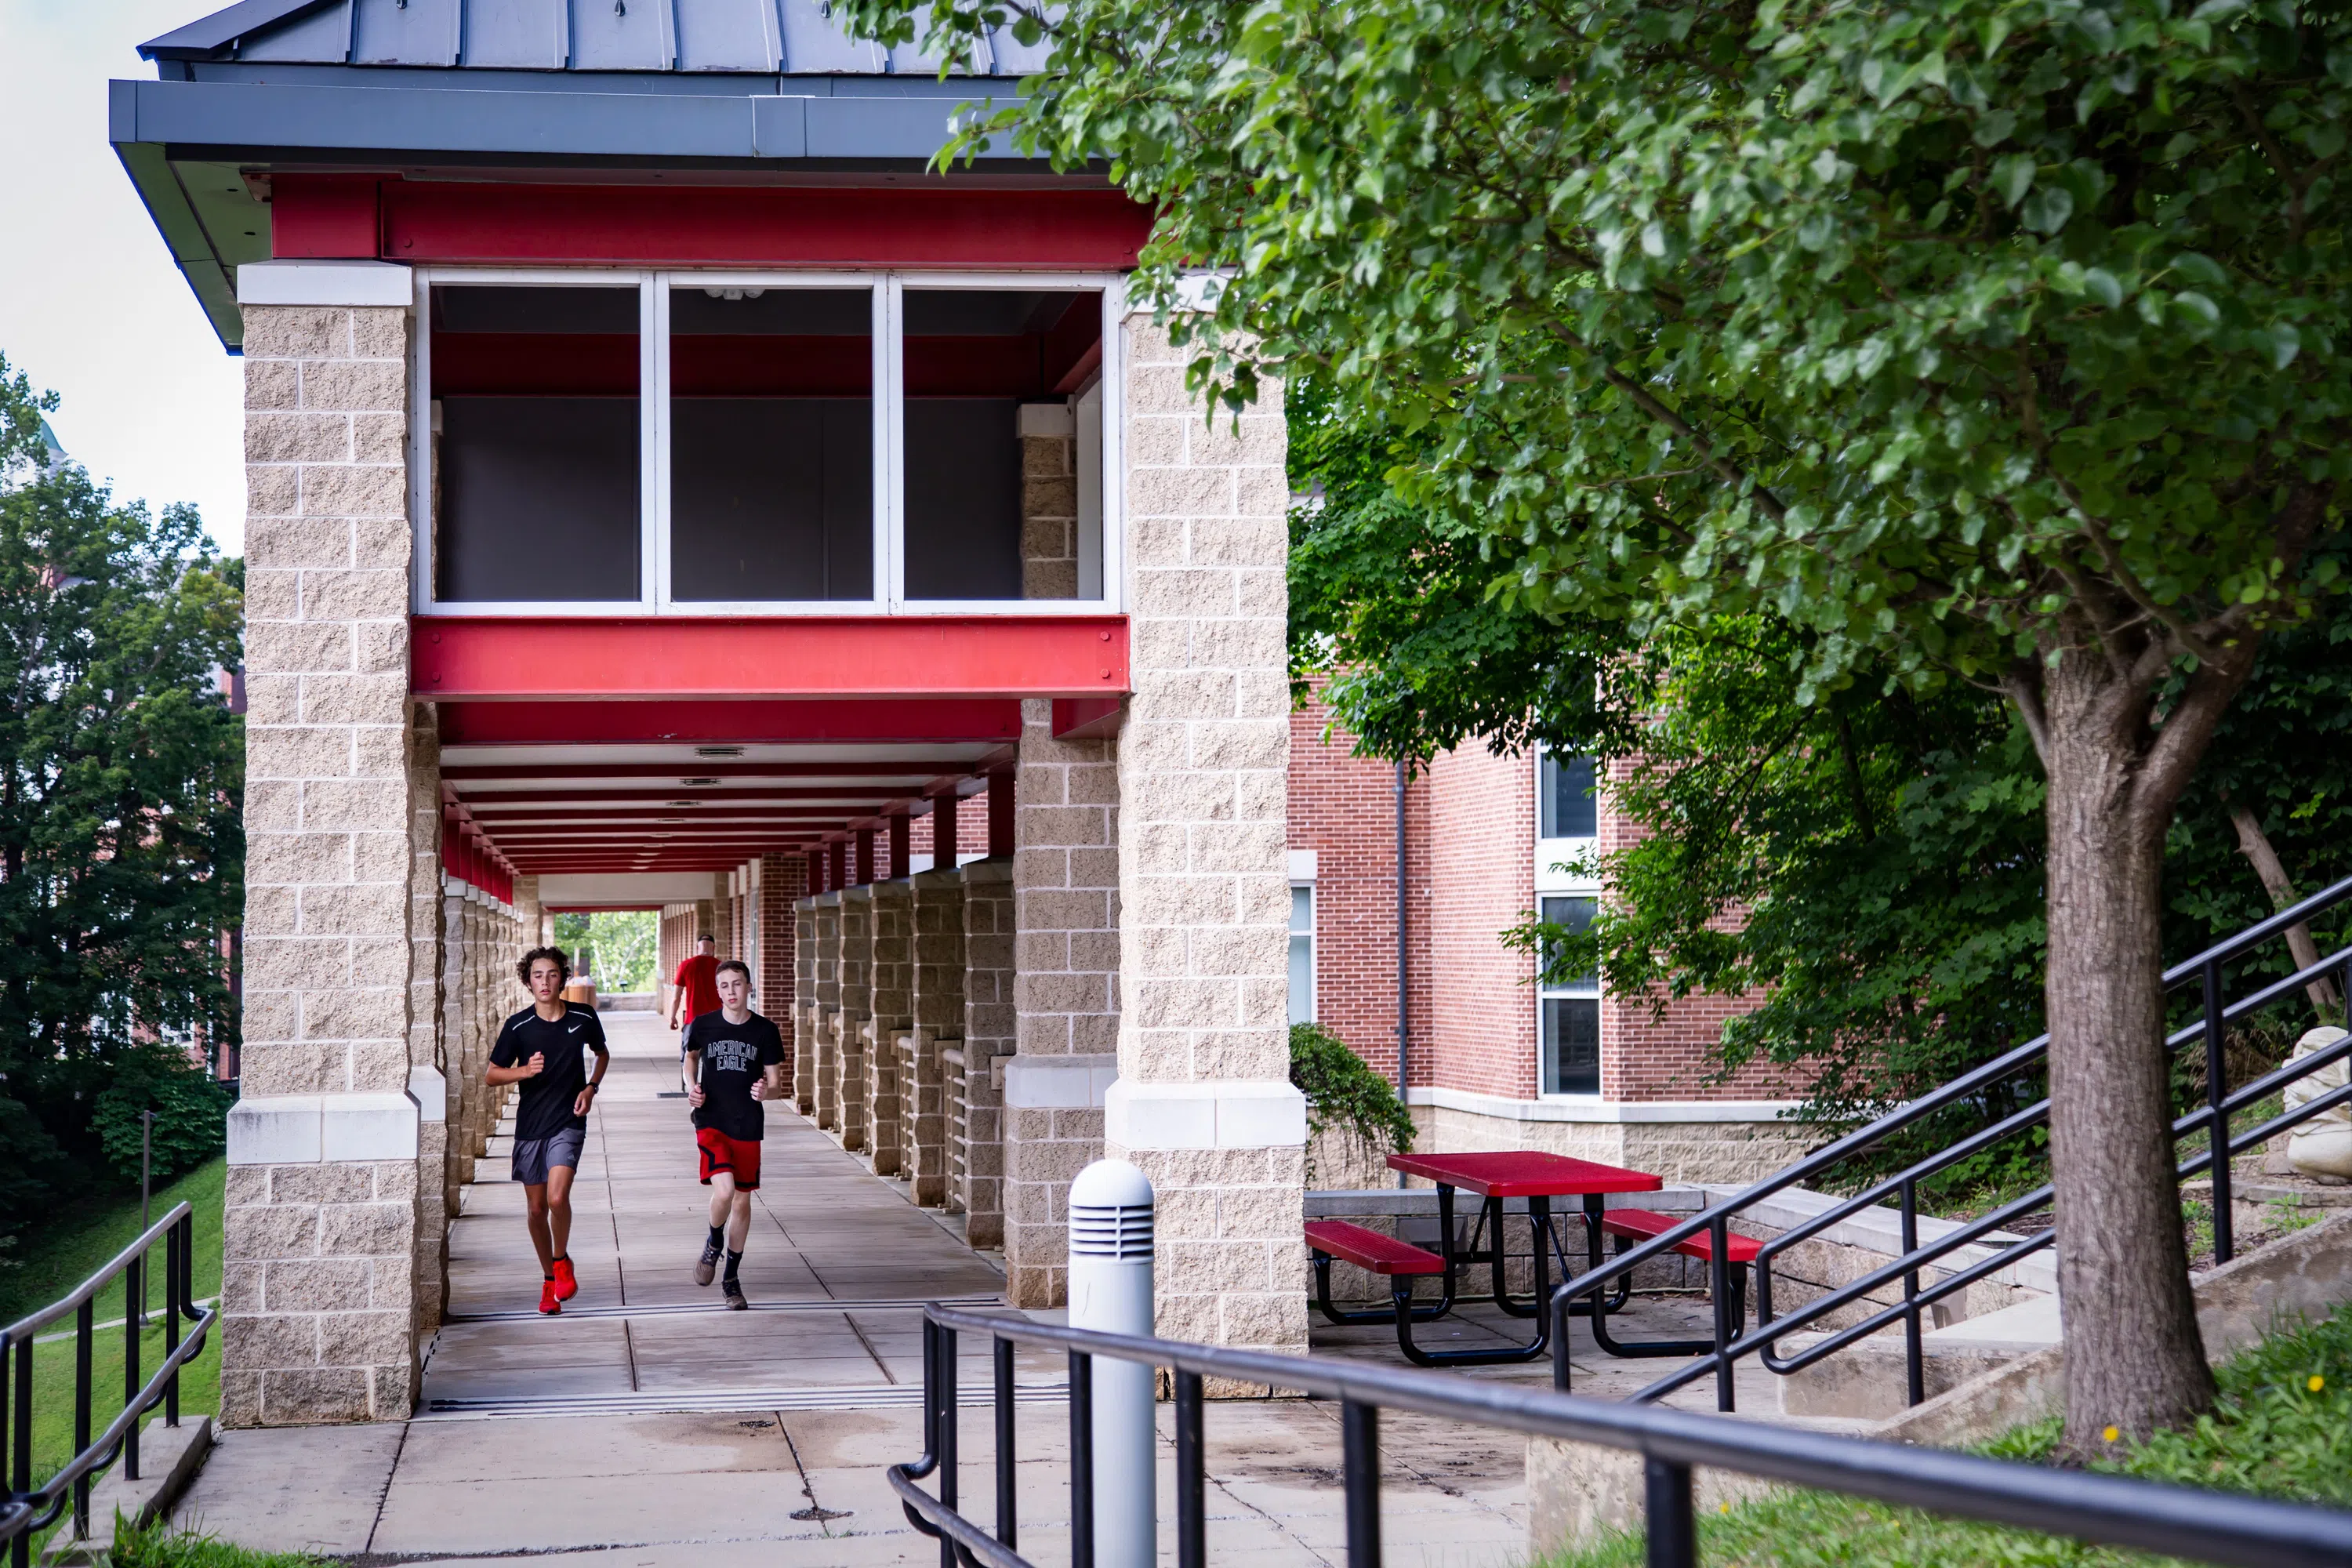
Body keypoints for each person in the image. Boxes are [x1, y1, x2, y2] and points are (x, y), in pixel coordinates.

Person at [486, 946, 609, 1315]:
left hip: (568, 1122)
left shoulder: (583, 1017)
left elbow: (602, 1054)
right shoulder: (518, 1026)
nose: (545, 981)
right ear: (528, 981)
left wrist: (591, 1088)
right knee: (537, 1209)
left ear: (562, 978)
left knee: (557, 1199)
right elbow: (492, 1074)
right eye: (538, 975)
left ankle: (561, 1262)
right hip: (530, 1127)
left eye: (552, 974)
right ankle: (549, 1280)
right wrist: (524, 1071)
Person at [681, 959, 784, 1309]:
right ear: (717, 990)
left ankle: (732, 1279)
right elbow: (689, 1059)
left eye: (737, 984)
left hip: (747, 1124)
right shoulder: (703, 1026)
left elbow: (776, 1084)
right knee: (724, 1191)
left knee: (742, 1199)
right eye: (724, 986)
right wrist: (691, 1087)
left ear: (749, 987)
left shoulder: (765, 1031)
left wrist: (765, 1092)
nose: (731, 992)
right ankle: (713, 1242)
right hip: (710, 1119)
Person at [669, 934, 722, 1033]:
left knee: (691, 1047)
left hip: (693, 1019)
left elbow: (676, 996)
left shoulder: (685, 965)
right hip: (717, 1020)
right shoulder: (721, 967)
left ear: (697, 947)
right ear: (713, 948)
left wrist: (672, 1017)